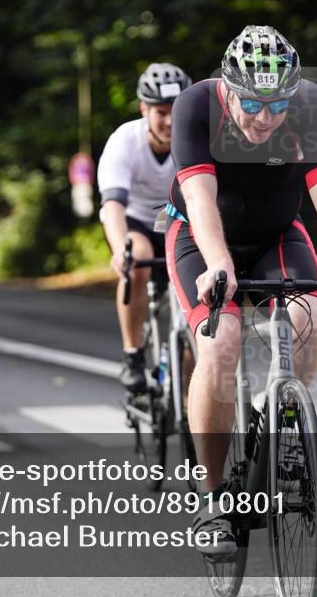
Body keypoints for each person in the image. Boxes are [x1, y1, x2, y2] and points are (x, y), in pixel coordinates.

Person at [165, 26, 317, 555]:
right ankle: (213, 499)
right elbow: (199, 199)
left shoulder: (310, 105)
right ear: (227, 87)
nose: (264, 117)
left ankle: (279, 417)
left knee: (311, 319)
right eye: (251, 103)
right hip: (201, 235)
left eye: (276, 104)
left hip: (276, 233)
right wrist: (219, 265)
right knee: (221, 344)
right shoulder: (196, 106)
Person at [98, 63, 192, 392]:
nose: (169, 121)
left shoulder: (195, 139)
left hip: (174, 218)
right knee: (137, 258)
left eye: (176, 111)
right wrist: (121, 249)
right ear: (144, 109)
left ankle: (188, 387)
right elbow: (113, 206)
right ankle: (133, 354)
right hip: (135, 217)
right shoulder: (124, 141)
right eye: (161, 112)